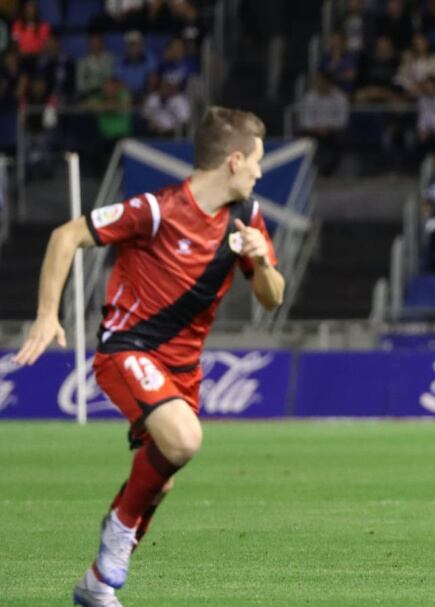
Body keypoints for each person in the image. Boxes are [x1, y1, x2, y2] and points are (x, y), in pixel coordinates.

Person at [12, 106, 285, 607]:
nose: (260, 172)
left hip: (184, 369)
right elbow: (65, 235)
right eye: (257, 161)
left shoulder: (247, 217)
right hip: (128, 348)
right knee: (183, 440)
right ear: (234, 160)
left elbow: (273, 296)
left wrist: (261, 260)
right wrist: (48, 315)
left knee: (159, 485)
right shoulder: (156, 209)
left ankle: (96, 586)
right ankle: (117, 532)